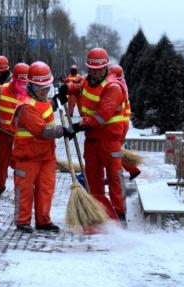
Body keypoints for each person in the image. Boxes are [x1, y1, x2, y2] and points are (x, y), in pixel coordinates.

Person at [60, 48, 128, 224]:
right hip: (92, 140)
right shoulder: (87, 81)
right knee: (93, 177)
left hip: (109, 140)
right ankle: (97, 212)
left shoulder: (113, 87)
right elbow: (79, 87)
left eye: (100, 69)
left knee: (114, 177)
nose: (96, 72)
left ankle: (119, 213)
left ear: (106, 67)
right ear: (88, 68)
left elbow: (102, 116)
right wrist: (66, 88)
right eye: (93, 69)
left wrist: (77, 126)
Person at [12, 61, 64, 233]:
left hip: (46, 155)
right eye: (41, 88)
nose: (44, 91)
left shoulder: (44, 100)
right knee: (25, 190)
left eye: (47, 87)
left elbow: (47, 108)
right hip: (27, 156)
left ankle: (43, 221)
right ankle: (22, 221)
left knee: (46, 189)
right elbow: (41, 130)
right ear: (31, 86)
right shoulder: (25, 106)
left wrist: (58, 100)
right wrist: (63, 130)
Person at [0, 62, 29, 197]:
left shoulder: (29, 94)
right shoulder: (2, 90)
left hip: (21, 136)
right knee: (2, 161)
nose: (23, 86)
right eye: (21, 82)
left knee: (20, 163)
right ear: (14, 78)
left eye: (25, 83)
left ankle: (22, 187)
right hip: (3, 133)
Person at [109, 64, 141, 181]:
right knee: (115, 151)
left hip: (118, 126)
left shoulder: (116, 88)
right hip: (123, 125)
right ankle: (132, 169)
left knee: (114, 151)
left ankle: (128, 170)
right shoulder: (122, 85)